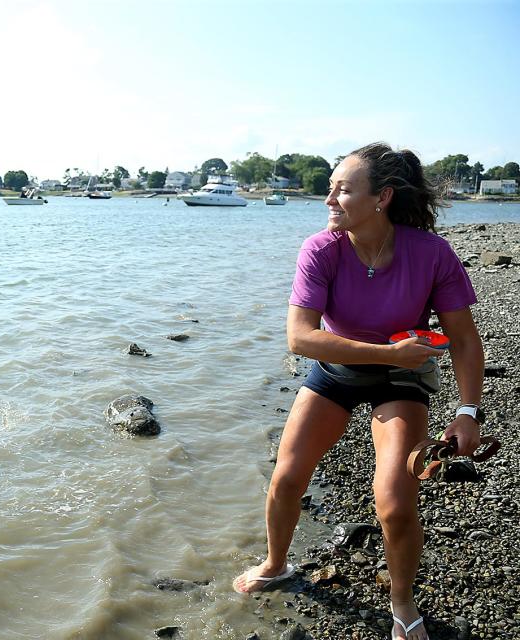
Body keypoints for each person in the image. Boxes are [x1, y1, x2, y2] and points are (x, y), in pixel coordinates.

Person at [232, 142, 484, 640]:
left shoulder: (431, 254)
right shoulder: (319, 250)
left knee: (392, 499)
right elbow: (300, 337)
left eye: (342, 189)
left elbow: (464, 338)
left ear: (382, 198)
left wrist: (468, 411)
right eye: (329, 188)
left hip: (401, 378)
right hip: (339, 370)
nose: (329, 199)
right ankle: (277, 562)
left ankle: (403, 603)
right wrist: (388, 353)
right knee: (286, 478)